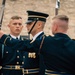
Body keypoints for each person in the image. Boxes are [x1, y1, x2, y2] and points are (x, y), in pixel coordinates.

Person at [0, 15, 75, 75]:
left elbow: (22, 45)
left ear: (55, 27)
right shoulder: (73, 44)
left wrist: (3, 36)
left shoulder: (45, 42)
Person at [24, 10, 49, 75]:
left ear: (39, 25)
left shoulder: (43, 42)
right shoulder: (33, 41)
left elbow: (43, 68)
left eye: (29, 24)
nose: (26, 26)